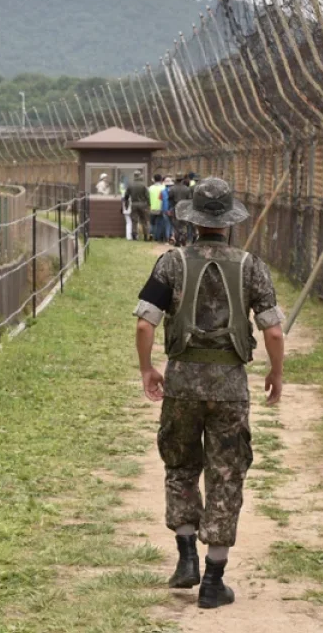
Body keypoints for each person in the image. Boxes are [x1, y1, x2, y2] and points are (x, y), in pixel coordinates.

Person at [133, 177, 285, 609]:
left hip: (181, 382)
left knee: (180, 463)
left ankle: (185, 557)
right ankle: (214, 581)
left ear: (194, 220)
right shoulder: (252, 266)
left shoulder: (171, 263)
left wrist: (148, 368)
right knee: (226, 473)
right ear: (230, 222)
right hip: (230, 387)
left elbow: (145, 322)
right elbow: (272, 330)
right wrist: (277, 373)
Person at [125, 170, 151, 241]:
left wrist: (126, 205)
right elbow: (147, 196)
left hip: (134, 204)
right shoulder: (143, 185)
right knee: (144, 220)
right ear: (140, 176)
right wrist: (149, 205)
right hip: (143, 204)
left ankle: (134, 236)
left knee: (134, 221)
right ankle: (146, 236)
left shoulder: (130, 185)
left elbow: (126, 196)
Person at [168, 176, 193, 246]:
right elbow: (190, 200)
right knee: (184, 225)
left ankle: (177, 241)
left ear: (176, 180)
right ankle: (183, 238)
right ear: (182, 180)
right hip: (184, 209)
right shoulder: (187, 189)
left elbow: (169, 198)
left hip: (175, 208)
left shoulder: (172, 188)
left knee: (176, 225)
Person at [148, 174, 166, 243]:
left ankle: (151, 235)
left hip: (152, 208)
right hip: (161, 208)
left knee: (152, 223)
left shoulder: (150, 188)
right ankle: (158, 237)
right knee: (159, 223)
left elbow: (148, 198)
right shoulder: (163, 187)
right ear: (161, 179)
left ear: (154, 179)